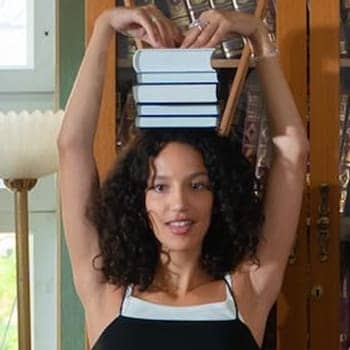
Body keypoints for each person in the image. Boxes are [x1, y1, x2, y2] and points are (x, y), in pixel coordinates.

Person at [57, 4, 309, 350]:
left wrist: (258, 36)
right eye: (159, 186)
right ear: (139, 199)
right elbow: (71, 147)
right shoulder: (108, 290)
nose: (178, 203)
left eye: (197, 185)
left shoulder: (248, 287)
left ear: (217, 197)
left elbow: (293, 150)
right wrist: (103, 29)